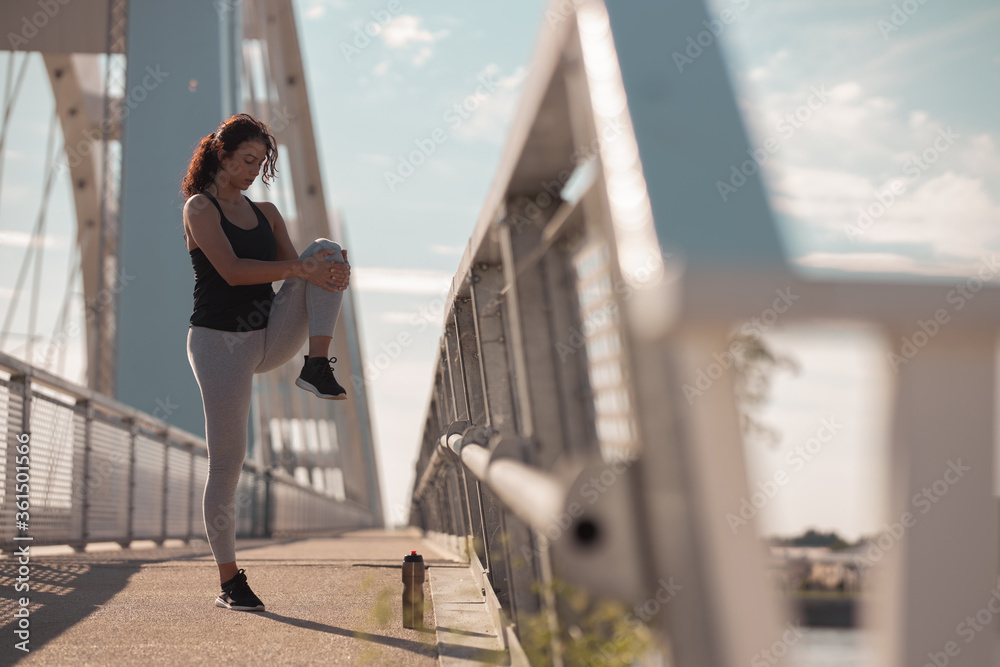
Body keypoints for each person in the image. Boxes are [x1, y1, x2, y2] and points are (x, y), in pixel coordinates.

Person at [181, 113, 351, 612]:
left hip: (268, 334)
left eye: (262, 161)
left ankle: (315, 364)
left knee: (326, 250)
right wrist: (306, 269)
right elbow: (232, 272)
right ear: (223, 156)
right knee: (228, 462)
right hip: (219, 344)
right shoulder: (200, 208)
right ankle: (230, 580)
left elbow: (293, 271)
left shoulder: (268, 212)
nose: (255, 169)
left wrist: (326, 271)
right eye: (248, 160)